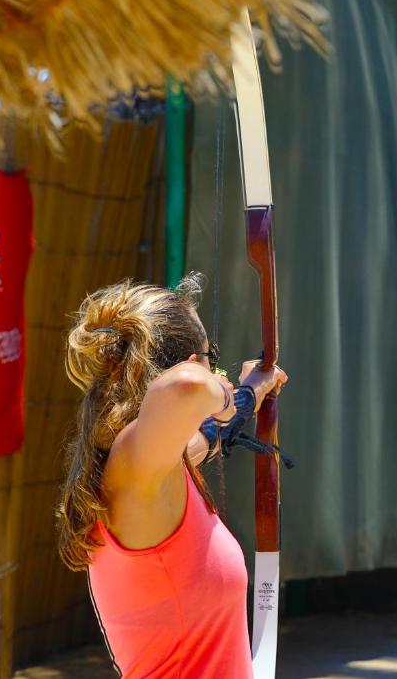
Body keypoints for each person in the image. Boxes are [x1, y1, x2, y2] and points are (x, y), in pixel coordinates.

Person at [56, 273, 287, 678]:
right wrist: (225, 399)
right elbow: (186, 386)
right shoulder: (133, 465)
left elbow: (204, 439)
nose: (217, 368)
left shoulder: (151, 470)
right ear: (194, 362)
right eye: (212, 356)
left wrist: (250, 392)